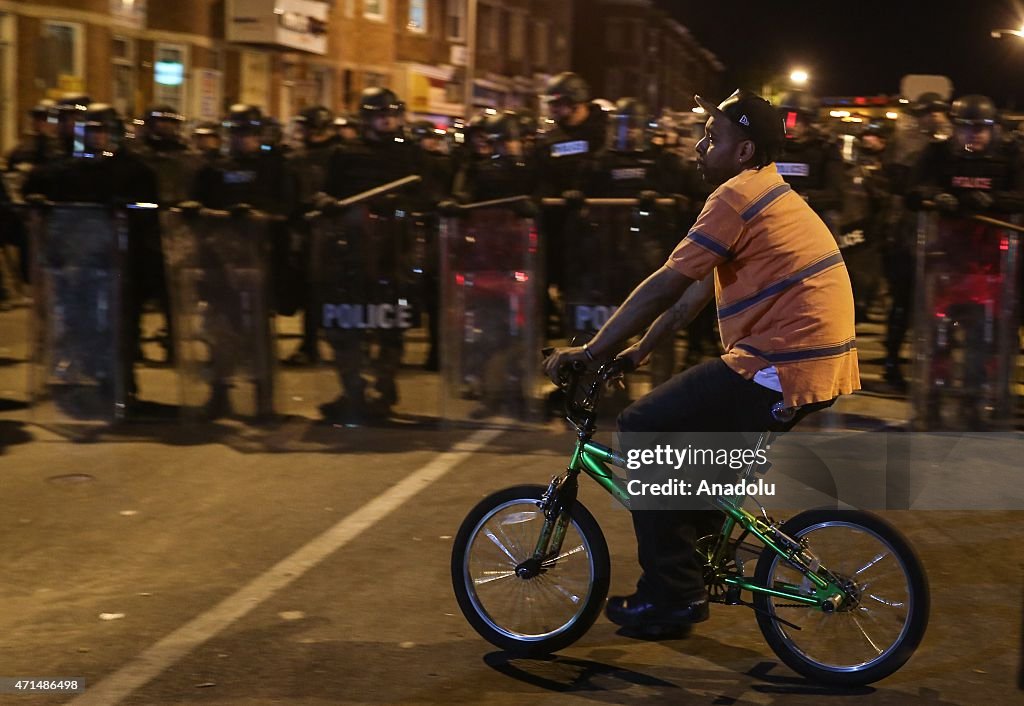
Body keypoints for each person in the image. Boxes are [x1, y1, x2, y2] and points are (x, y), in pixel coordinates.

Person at [543, 89, 860, 635]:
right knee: (700, 467)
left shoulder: (736, 197)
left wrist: (591, 353)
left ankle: (672, 596)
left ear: (743, 151)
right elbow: (693, 296)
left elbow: (664, 285)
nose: (698, 145)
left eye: (712, 137)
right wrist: (640, 350)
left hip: (779, 362)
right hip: (817, 364)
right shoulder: (770, 194)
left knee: (642, 426)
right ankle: (700, 565)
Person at [319, 87, 424, 423]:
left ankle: (384, 388)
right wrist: (323, 202)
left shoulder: (411, 155)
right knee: (347, 324)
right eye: (380, 114)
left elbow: (428, 197)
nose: (387, 119)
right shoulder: (345, 153)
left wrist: (402, 208)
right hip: (351, 254)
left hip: (394, 254)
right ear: (367, 118)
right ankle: (353, 390)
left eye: (391, 114)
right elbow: (327, 191)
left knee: (390, 322)